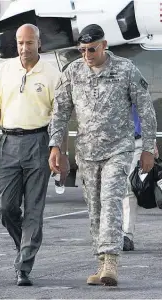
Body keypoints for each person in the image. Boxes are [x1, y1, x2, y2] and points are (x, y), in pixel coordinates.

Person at [48, 24, 157, 286]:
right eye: (82, 49)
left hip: (119, 150)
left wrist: (148, 147)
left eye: (92, 49)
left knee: (110, 201)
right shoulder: (73, 71)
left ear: (104, 45)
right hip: (86, 153)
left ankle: (111, 260)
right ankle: (101, 263)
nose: (87, 54)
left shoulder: (125, 69)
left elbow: (146, 108)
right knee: (95, 208)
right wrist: (55, 147)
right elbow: (60, 112)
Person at [0, 24, 66, 286]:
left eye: (29, 43)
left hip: (39, 142)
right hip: (8, 143)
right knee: (5, 207)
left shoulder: (53, 74)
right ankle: (24, 246)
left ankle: (24, 266)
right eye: (20, 43)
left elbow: (60, 117)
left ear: (39, 44)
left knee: (33, 209)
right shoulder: (4, 70)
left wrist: (57, 149)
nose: (24, 48)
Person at [122, 105, 159, 251]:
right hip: (108, 145)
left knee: (129, 188)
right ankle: (109, 233)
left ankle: (127, 235)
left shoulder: (135, 83)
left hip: (136, 142)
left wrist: (150, 144)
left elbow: (147, 112)